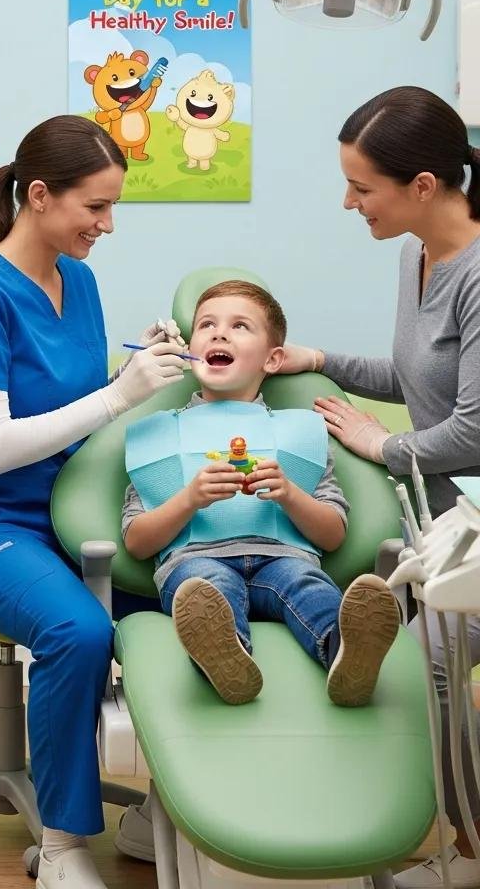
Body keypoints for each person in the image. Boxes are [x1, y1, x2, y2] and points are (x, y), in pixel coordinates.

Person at [0, 115, 189, 889]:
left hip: (74, 517)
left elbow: (69, 399)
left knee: (185, 602)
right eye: (95, 208)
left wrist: (139, 367)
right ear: (39, 196)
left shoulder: (81, 281)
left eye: (112, 208)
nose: (107, 226)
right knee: (76, 631)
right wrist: (117, 395)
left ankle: (163, 810)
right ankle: (65, 845)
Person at [281, 87, 480, 887]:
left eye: (363, 187)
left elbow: (472, 428)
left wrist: (384, 444)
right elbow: (416, 375)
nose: (348, 201)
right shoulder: (417, 252)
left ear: (423, 186)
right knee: (428, 667)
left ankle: (463, 851)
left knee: (429, 669)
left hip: (470, 515)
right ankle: (451, 840)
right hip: (448, 522)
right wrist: (322, 359)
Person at [122, 280, 401, 705]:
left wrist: (290, 494)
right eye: (207, 325)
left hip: (284, 559)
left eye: (240, 326)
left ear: (273, 359)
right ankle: (227, 660)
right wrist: (189, 499)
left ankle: (349, 657)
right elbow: (137, 542)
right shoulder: (158, 435)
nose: (219, 333)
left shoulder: (302, 436)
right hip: (196, 562)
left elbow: (332, 535)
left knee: (309, 586)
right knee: (207, 589)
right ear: (188, 348)